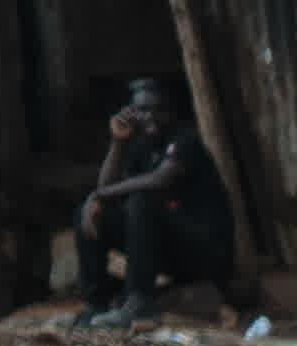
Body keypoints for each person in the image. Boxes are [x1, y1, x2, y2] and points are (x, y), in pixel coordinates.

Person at [69, 78, 236, 327]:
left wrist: (100, 195)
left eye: (160, 109)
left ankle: (139, 303)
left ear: (172, 111)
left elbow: (160, 181)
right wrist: (117, 142)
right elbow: (106, 187)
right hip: (165, 249)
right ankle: (96, 304)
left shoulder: (185, 141)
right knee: (92, 211)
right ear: (132, 114)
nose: (151, 117)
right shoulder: (141, 147)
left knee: (141, 201)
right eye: (143, 110)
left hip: (202, 251)